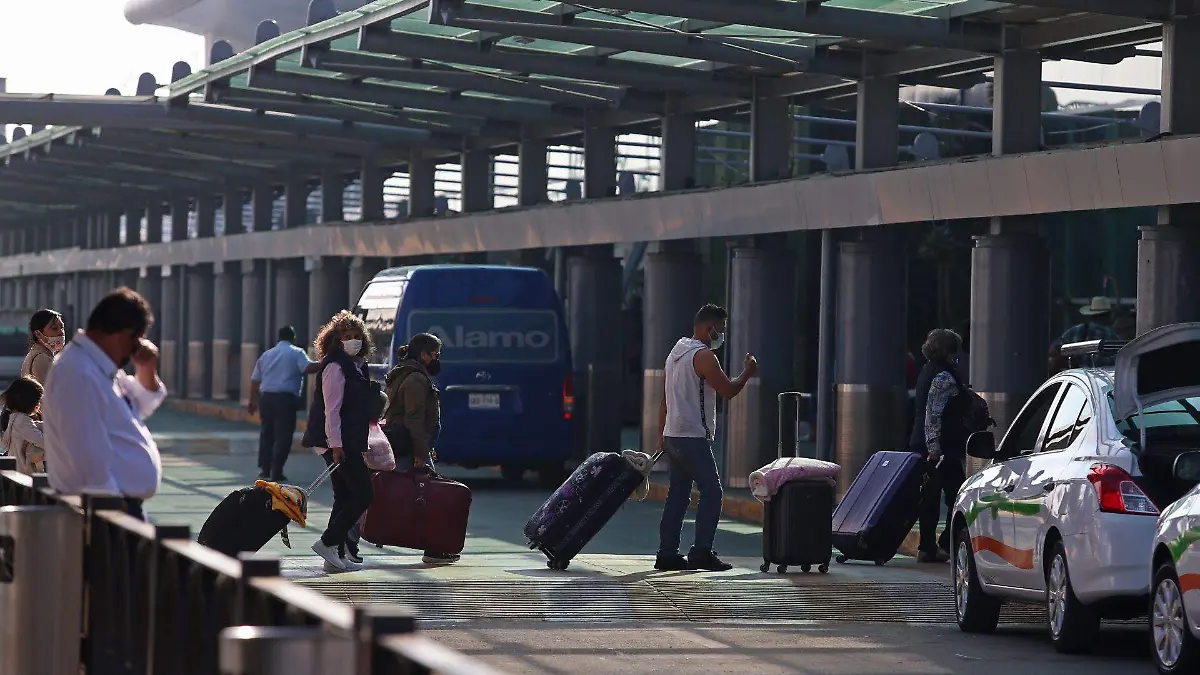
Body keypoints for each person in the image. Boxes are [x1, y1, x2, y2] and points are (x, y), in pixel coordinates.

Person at [42, 288, 165, 521]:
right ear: (124, 335)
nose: (135, 349)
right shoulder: (79, 373)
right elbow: (86, 457)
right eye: (135, 340)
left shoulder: (98, 367)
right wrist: (114, 514)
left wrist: (146, 369)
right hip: (105, 509)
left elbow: (141, 404)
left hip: (113, 505)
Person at [654, 303, 758, 572]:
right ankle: (701, 551)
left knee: (678, 494)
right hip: (692, 436)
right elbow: (728, 390)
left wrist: (660, 436)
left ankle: (666, 553)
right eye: (719, 329)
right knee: (712, 491)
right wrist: (748, 371)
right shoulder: (703, 357)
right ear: (706, 327)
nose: (720, 335)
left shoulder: (674, 354)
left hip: (673, 434)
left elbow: (664, 400)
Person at [303, 311, 377, 573]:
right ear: (336, 340)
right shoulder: (335, 366)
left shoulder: (356, 366)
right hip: (338, 442)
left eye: (357, 336)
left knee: (344, 496)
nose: (353, 340)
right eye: (347, 337)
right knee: (364, 494)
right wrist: (337, 446)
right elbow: (331, 410)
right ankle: (328, 542)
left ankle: (333, 555)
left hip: (348, 439)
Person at [382, 333, 458, 565]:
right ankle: (435, 549)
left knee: (387, 495)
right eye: (435, 354)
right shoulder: (415, 379)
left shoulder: (407, 372)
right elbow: (414, 419)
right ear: (423, 354)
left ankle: (434, 547)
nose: (437, 358)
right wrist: (420, 454)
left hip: (407, 445)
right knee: (432, 498)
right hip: (411, 447)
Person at [911, 328, 968, 563]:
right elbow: (934, 415)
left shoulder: (927, 370)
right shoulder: (944, 376)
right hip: (940, 449)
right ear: (949, 350)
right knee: (957, 496)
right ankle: (943, 544)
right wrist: (934, 447)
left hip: (927, 445)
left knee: (930, 498)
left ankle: (928, 547)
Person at [247, 326, 320, 482]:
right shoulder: (296, 352)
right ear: (293, 338)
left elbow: (255, 379)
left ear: (278, 338)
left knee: (267, 434)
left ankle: (265, 470)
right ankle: (277, 471)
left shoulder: (266, 355)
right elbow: (308, 368)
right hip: (285, 400)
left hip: (266, 399)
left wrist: (252, 400)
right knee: (283, 436)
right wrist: (327, 361)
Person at [1048, 296, 1118, 373]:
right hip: (1102, 381)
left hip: (1077, 379)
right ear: (1109, 315)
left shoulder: (1076, 330)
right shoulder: (1113, 336)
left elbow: (1053, 350)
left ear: (1091, 315)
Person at [1, 377, 45, 475]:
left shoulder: (13, 418)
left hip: (17, 470)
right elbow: (41, 440)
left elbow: (33, 428)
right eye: (38, 401)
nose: (39, 405)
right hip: (26, 473)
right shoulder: (22, 420)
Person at [22, 309, 65, 385]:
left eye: (62, 327)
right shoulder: (41, 358)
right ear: (38, 334)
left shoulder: (34, 354)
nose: (61, 332)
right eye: (54, 328)